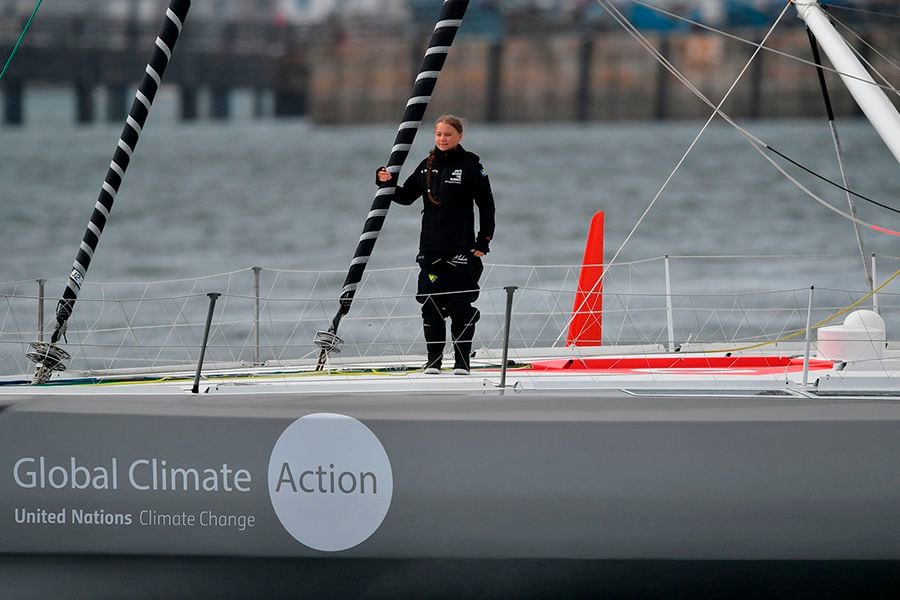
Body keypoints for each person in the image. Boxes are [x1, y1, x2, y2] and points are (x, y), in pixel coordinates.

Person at [376, 115, 495, 375]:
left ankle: (462, 363)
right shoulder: (426, 166)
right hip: (430, 249)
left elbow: (486, 205)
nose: (442, 139)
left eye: (448, 134)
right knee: (430, 305)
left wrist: (483, 241)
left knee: (460, 307)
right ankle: (434, 362)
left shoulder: (471, 166)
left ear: (459, 137)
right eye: (439, 134)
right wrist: (384, 182)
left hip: (462, 249)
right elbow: (406, 197)